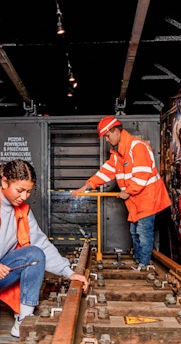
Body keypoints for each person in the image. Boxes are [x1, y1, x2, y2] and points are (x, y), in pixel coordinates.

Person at [0, 158, 89, 338]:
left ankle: (24, 320)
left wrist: (68, 272)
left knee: (35, 254)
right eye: (19, 190)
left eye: (28, 191)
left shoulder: (23, 211)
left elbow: (40, 243)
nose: (24, 197)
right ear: (4, 182)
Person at [71, 116, 171, 271]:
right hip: (136, 201)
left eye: (107, 135)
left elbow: (142, 174)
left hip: (148, 199)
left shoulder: (136, 147)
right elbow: (105, 173)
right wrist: (86, 187)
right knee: (135, 232)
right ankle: (139, 262)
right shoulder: (118, 154)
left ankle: (143, 266)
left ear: (116, 131)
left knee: (143, 233)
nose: (106, 139)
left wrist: (127, 191)